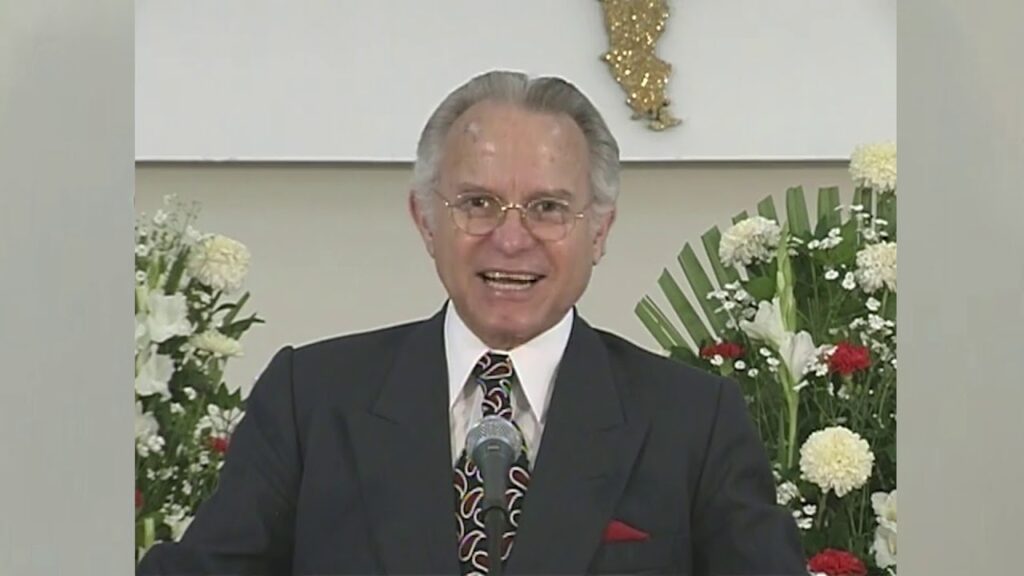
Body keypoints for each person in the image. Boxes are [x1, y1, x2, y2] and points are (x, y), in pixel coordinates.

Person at [137, 70, 806, 575]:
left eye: (548, 208)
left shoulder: (693, 420)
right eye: (478, 203)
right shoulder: (310, 398)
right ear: (426, 219)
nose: (511, 240)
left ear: (599, 231)